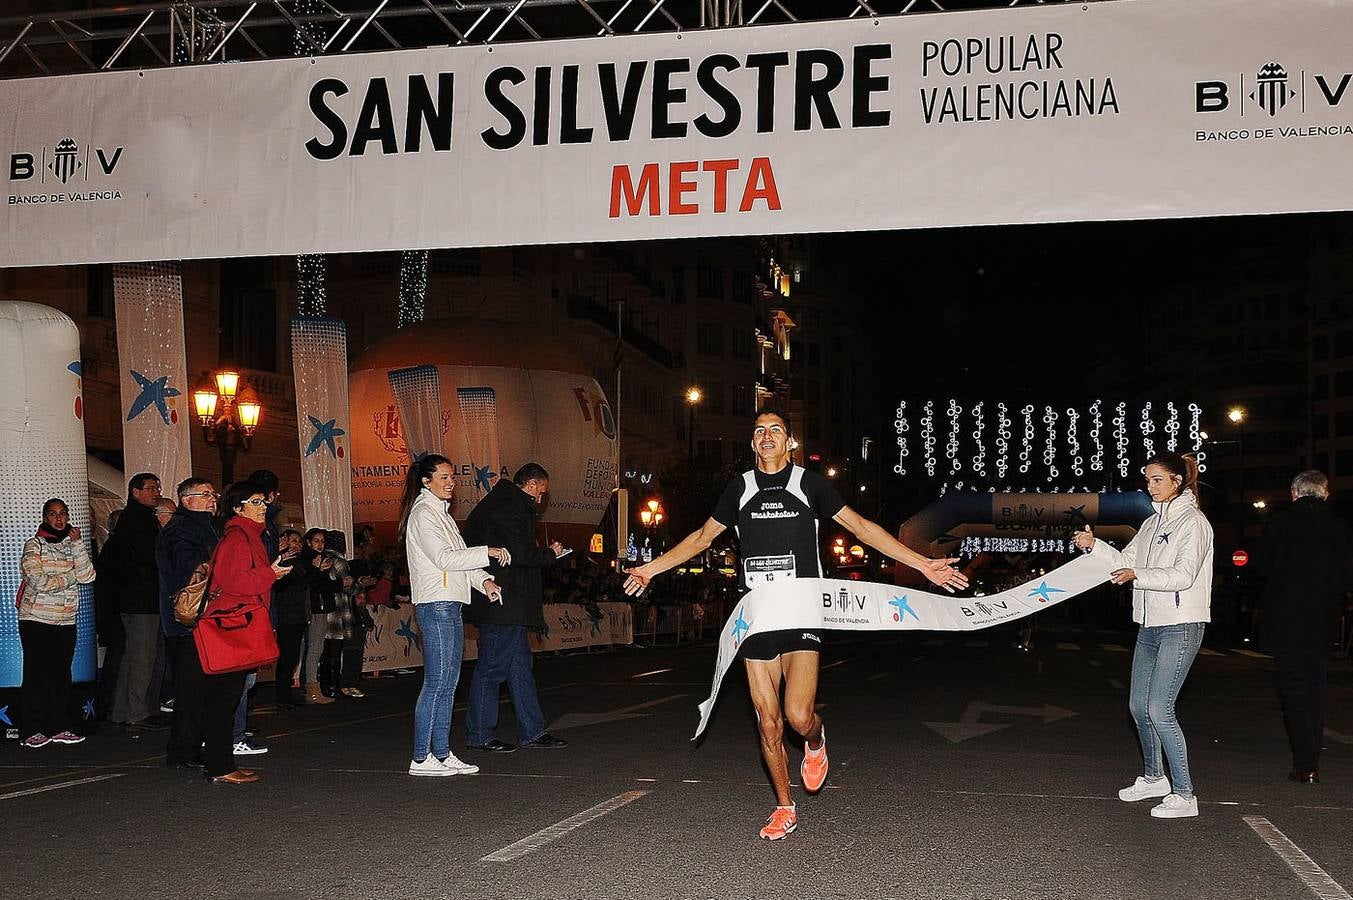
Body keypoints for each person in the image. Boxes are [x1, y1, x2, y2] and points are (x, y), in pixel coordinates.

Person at [623, 409, 968, 840]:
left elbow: (860, 526)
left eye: (776, 431)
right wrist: (649, 569)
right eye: (759, 431)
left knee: (797, 715)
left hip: (802, 611)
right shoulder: (740, 489)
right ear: (752, 444)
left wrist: (923, 565)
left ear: (789, 443)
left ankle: (817, 739)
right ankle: (784, 807)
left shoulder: (809, 485)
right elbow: (701, 538)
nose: (767, 437)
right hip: (758, 615)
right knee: (768, 721)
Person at [1074, 450, 1213, 819]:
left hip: (1181, 624)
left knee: (1159, 709)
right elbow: (1125, 562)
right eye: (1147, 479)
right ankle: (1154, 778)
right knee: (1138, 706)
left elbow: (1184, 574)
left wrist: (1141, 575)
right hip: (1149, 625)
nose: (1149, 486)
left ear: (1177, 481)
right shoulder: (1152, 524)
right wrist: (1095, 547)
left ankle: (1185, 794)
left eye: (1156, 480)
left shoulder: (1194, 523)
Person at [399, 453, 508, 777]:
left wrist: (484, 579)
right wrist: (486, 550)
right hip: (436, 603)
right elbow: (445, 558)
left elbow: (459, 560)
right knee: (437, 682)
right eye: (444, 477)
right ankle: (421, 757)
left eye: (452, 477)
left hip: (450, 602)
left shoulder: (442, 515)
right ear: (426, 480)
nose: (451, 483)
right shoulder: (423, 514)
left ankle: (442, 753)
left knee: (449, 682)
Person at [1253, 469, 1353, 784]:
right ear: (1324, 493)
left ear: (1294, 493)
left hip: (1286, 621)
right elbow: (1346, 577)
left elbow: (1261, 565)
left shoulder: (1280, 524)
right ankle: (1310, 760)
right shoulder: (1339, 529)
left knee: (1293, 692)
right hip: (1321, 620)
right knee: (1314, 690)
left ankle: (1306, 761)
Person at [463, 462, 570, 753]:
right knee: (492, 668)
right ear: (532, 485)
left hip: (509, 602)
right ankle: (480, 733)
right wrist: (551, 554)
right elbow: (519, 554)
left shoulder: (508, 503)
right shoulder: (508, 507)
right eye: (541, 492)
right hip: (502, 602)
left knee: (521, 668)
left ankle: (532, 730)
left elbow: (517, 552)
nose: (541, 499)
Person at [200, 481, 292, 784]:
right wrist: (270, 574)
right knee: (223, 700)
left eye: (263, 501)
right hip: (231, 626)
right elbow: (233, 582)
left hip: (237, 624)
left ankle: (221, 763)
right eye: (255, 502)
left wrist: (270, 572)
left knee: (227, 698)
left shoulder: (247, 536)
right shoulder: (238, 539)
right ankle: (220, 765)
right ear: (238, 508)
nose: (262, 506)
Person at [18, 498, 96, 748]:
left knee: (61, 675)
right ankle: (31, 730)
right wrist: (69, 577)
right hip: (36, 619)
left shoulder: (72, 545)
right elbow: (38, 581)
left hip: (65, 620)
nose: (59, 519)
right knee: (36, 674)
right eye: (53, 514)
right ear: (44, 517)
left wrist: (77, 544)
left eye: (63, 513)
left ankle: (59, 726)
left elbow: (88, 576)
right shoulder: (34, 544)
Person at [157, 478, 221, 770]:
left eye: (213, 494)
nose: (212, 499)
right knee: (191, 688)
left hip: (200, 618)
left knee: (202, 686)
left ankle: (195, 744)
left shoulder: (205, 526)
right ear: (186, 500)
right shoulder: (182, 529)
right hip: (188, 620)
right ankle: (183, 750)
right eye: (205, 494)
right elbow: (190, 569)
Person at [105, 472, 168, 730]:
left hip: (135, 598)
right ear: (135, 492)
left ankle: (122, 710)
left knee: (133, 655)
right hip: (142, 599)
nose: (156, 493)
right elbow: (148, 559)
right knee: (143, 656)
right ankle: (137, 712)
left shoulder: (134, 519)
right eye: (151, 488)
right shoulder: (139, 521)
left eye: (157, 488)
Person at [271, 529, 311, 707]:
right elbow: (296, 584)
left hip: (298, 615)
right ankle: (282, 697)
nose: (298, 544)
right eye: (293, 540)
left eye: (299, 541)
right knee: (287, 657)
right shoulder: (284, 562)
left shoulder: (300, 563)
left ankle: (285, 695)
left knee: (293, 657)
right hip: (287, 615)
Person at [300, 528, 338, 705]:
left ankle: (311, 686)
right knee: (315, 648)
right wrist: (319, 571)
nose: (320, 544)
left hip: (319, 607)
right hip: (314, 608)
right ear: (308, 542)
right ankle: (312, 688)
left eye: (322, 541)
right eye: (316, 541)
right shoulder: (309, 560)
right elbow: (310, 586)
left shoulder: (319, 559)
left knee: (314, 648)